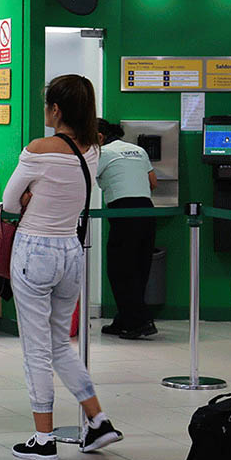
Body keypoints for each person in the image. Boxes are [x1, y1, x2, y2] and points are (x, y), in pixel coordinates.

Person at [3, 75, 123, 460]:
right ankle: (97, 420)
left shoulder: (39, 148)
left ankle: (43, 440)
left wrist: (27, 195)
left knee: (36, 351)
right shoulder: (93, 150)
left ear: (55, 109)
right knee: (59, 346)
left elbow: (9, 203)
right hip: (72, 252)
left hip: (35, 251)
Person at [95, 118, 159, 340]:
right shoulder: (138, 150)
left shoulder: (102, 153)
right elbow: (153, 182)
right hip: (147, 211)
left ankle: (140, 322)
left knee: (120, 268)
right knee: (139, 267)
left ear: (100, 137)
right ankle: (124, 319)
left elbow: (82, 178)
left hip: (123, 212)